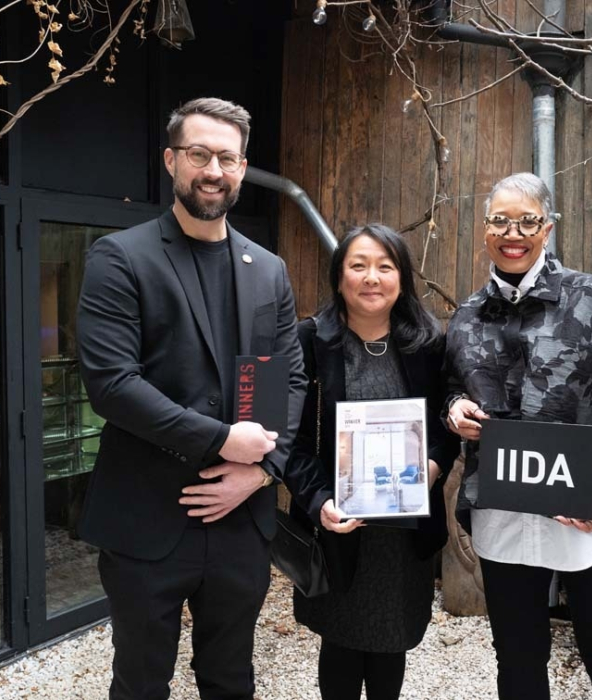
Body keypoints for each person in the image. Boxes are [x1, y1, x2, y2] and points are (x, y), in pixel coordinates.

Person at [75, 97, 306, 700]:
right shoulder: (121, 257)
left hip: (240, 522)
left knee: (231, 679)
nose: (213, 170)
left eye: (227, 158)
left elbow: (290, 382)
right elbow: (112, 385)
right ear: (171, 160)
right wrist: (223, 440)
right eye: (199, 154)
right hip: (147, 517)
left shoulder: (269, 270)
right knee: (141, 682)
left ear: (242, 167)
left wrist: (260, 474)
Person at [443, 172, 592, 700]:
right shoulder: (467, 316)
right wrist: (454, 410)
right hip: (504, 512)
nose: (513, 234)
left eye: (527, 221)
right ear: (485, 229)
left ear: (547, 228)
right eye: (501, 221)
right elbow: (451, 386)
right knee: (517, 658)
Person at [283, 224, 460, 700]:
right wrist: (320, 501)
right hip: (339, 527)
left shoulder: (426, 344)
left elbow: (445, 427)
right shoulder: (309, 341)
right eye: (358, 266)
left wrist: (432, 467)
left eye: (385, 266)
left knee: (391, 640)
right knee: (340, 644)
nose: (371, 278)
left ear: (402, 278)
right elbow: (292, 441)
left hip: (402, 538)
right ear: (338, 276)